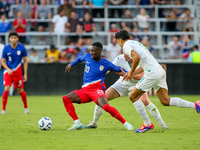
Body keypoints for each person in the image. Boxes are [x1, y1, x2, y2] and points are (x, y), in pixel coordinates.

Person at [115, 30, 200, 133]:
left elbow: (137, 57)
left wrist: (131, 72)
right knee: (165, 101)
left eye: (118, 41)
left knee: (133, 96)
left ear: (120, 40)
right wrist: (131, 73)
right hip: (159, 70)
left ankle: (147, 124)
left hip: (152, 73)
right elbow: (143, 64)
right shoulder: (137, 43)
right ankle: (195, 105)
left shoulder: (126, 46)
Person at [84, 54, 168, 129]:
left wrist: (128, 75)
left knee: (145, 101)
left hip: (138, 84)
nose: (124, 56)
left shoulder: (141, 61)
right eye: (123, 53)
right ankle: (94, 123)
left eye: (126, 54)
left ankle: (162, 124)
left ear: (132, 55)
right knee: (101, 99)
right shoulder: (120, 58)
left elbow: (142, 77)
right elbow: (109, 68)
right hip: (122, 83)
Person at [63, 42, 133, 130]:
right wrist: (71, 64)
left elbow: (119, 70)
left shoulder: (106, 63)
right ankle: (77, 123)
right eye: (91, 50)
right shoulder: (87, 56)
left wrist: (126, 74)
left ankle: (126, 123)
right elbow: (80, 59)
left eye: (94, 51)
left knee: (106, 106)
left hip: (97, 90)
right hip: (84, 91)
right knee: (66, 98)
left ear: (100, 51)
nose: (92, 53)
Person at [1, 32, 29, 114]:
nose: (13, 39)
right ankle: (3, 109)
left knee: (20, 90)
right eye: (12, 38)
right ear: (9, 39)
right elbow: (2, 61)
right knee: (7, 88)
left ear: (17, 39)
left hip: (18, 72)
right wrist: (7, 69)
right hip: (8, 72)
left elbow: (25, 61)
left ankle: (26, 107)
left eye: (15, 37)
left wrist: (25, 74)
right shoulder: (6, 48)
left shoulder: (22, 48)